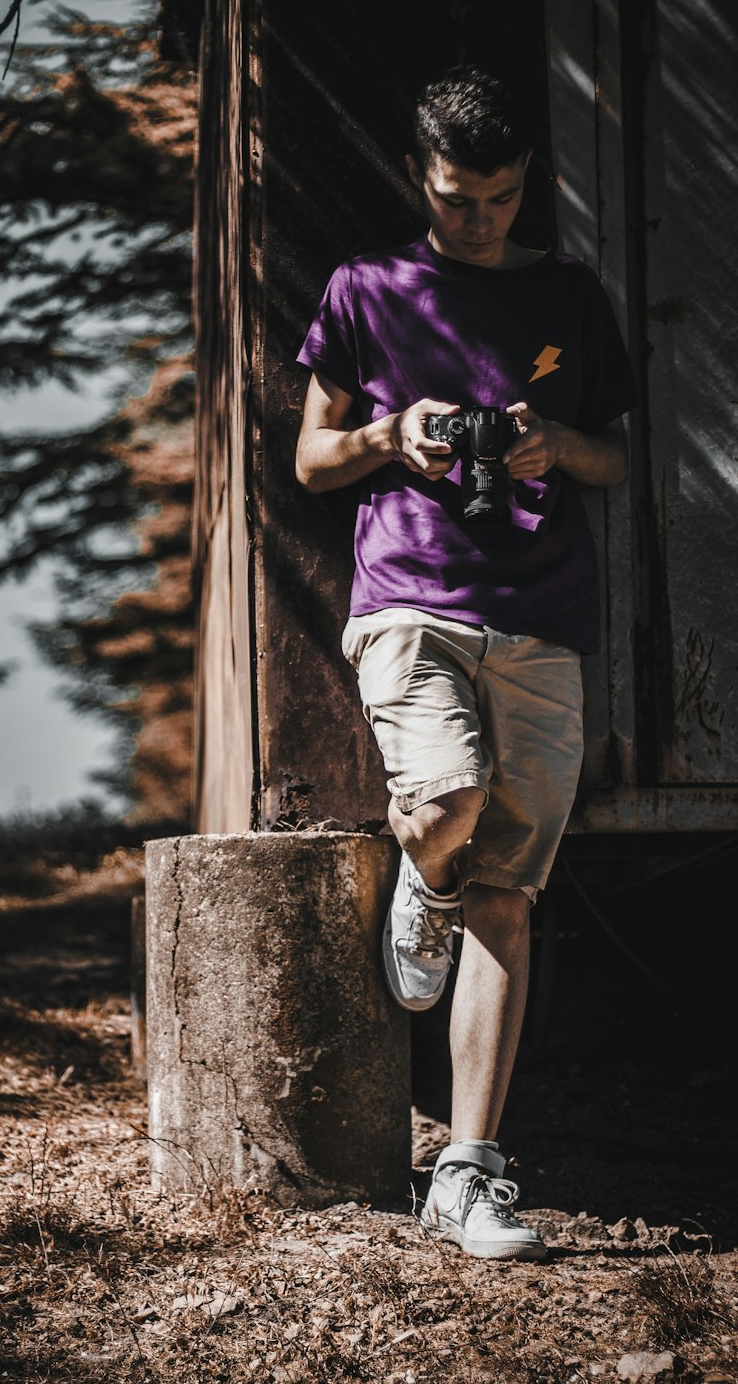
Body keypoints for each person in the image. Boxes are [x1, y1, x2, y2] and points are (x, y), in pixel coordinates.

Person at [294, 66, 637, 1260]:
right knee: (443, 803)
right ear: (417, 178)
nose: (475, 219)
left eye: (494, 198)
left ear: (522, 183)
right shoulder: (365, 291)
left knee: (512, 887)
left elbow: (616, 459)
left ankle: (465, 1171)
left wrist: (551, 445)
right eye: (453, 198)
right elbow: (311, 462)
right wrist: (392, 434)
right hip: (411, 601)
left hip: (542, 617)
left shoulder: (569, 296)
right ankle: (420, 886)